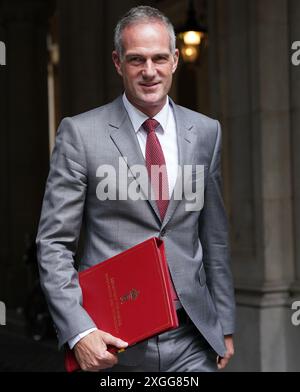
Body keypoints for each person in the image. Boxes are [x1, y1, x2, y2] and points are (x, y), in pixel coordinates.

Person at [36, 5, 235, 372]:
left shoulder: (207, 132)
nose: (149, 71)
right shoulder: (80, 134)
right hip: (113, 340)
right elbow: (53, 243)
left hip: (192, 337)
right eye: (136, 60)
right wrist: (80, 332)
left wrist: (224, 322)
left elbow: (215, 236)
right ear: (117, 62)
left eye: (159, 58)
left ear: (175, 60)